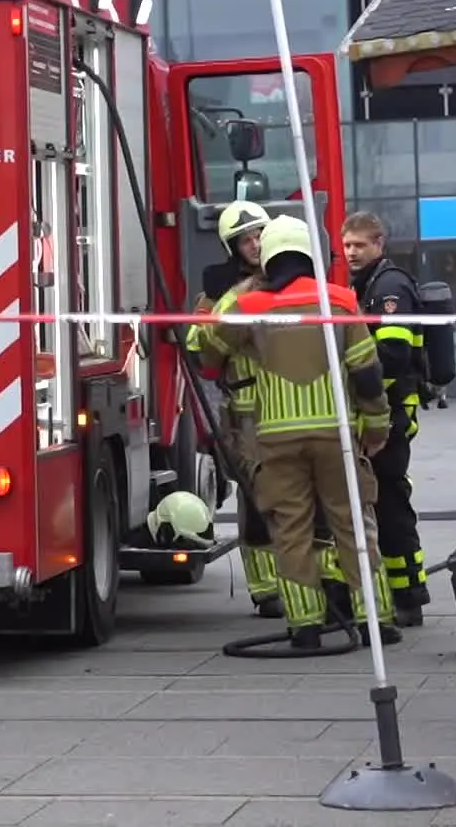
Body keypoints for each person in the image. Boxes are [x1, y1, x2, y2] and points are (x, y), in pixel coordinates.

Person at [194, 215, 400, 649]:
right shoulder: (340, 301)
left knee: (291, 530)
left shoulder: (249, 305)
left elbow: (208, 353)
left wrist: (210, 319)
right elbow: (366, 371)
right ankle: (375, 619)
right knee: (354, 524)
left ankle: (304, 627)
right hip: (337, 436)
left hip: (275, 437)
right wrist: (377, 425)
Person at [186, 200, 279, 618]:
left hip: (292, 401)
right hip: (246, 410)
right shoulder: (219, 293)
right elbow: (195, 345)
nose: (255, 244)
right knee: (258, 501)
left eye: (259, 234)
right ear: (232, 247)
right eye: (246, 239)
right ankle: (266, 588)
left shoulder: (291, 277)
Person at [339, 210, 431, 627]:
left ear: (379, 243)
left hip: (392, 409)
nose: (351, 252)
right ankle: (402, 592)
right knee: (385, 497)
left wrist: (363, 390)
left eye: (359, 245)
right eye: (347, 245)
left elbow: (392, 355)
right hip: (382, 409)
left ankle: (409, 596)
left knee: (390, 499)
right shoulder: (365, 285)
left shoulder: (389, 287)